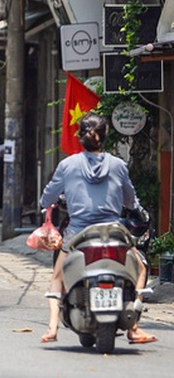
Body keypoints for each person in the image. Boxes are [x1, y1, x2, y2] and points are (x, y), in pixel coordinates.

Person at [39, 112, 157, 344]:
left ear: (81, 137)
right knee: (142, 267)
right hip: (115, 232)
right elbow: (130, 201)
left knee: (57, 278)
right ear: (105, 137)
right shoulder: (118, 165)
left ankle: (52, 328)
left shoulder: (67, 165)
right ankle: (133, 328)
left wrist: (48, 203)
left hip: (77, 235)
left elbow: (47, 198)